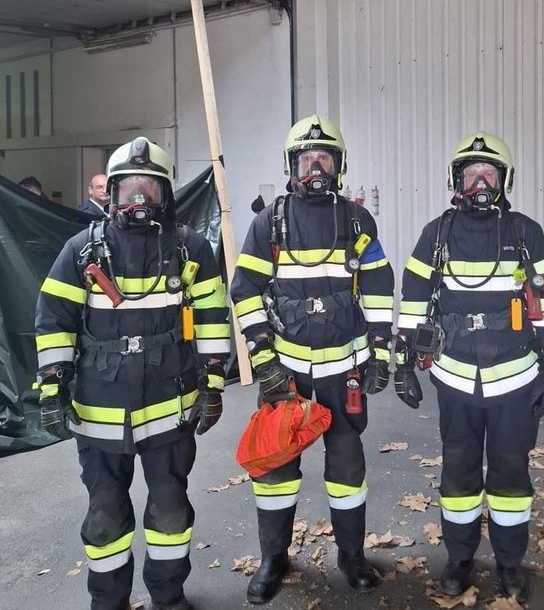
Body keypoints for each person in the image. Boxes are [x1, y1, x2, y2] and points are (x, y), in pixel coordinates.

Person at [34, 136, 230, 610]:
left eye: (149, 189)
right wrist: (52, 387)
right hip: (98, 412)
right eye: (129, 190)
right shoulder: (82, 251)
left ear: (166, 194)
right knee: (105, 515)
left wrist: (214, 385)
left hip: (170, 411)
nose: (138, 200)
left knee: (170, 510)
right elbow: (53, 318)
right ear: (112, 193)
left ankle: (168, 596)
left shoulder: (192, 250)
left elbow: (211, 318)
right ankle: (109, 601)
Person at [230, 115, 394, 604]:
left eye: (325, 158)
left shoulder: (357, 220)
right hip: (288, 374)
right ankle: (273, 558)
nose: (316, 167)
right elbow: (245, 291)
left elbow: (381, 287)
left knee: (347, 469)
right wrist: (264, 360)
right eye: (307, 159)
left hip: (344, 371)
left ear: (338, 166)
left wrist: (381, 354)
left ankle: (351, 557)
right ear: (292, 166)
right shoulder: (269, 222)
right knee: (276, 471)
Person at [396, 132, 544, 603]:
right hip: (455, 377)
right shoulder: (437, 233)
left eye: (490, 173)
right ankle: (460, 558)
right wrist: (405, 363)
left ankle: (510, 562)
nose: (481, 182)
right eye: (473, 174)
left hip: (514, 376)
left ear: (504, 181)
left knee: (511, 474)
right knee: (460, 472)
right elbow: (413, 299)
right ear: (457, 180)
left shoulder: (525, 232)